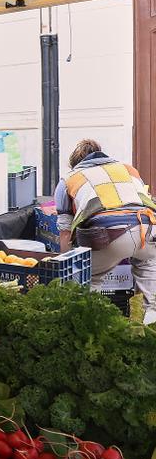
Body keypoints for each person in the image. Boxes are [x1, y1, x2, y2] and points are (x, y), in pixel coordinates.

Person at [55, 139, 156, 324]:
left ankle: (92, 330)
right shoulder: (128, 169)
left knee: (89, 281)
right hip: (148, 230)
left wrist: (66, 264)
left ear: (75, 163)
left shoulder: (69, 179)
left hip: (109, 234)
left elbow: (65, 231)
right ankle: (144, 332)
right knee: (149, 288)